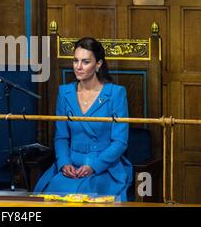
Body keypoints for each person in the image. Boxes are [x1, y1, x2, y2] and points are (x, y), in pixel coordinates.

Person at [34, 37, 132, 201]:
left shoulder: (115, 93)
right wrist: (64, 163)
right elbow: (61, 137)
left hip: (104, 167)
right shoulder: (65, 93)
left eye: (85, 62)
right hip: (70, 165)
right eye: (75, 61)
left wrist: (93, 167)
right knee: (50, 194)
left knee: (84, 194)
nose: (78, 67)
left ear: (98, 64)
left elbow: (120, 142)